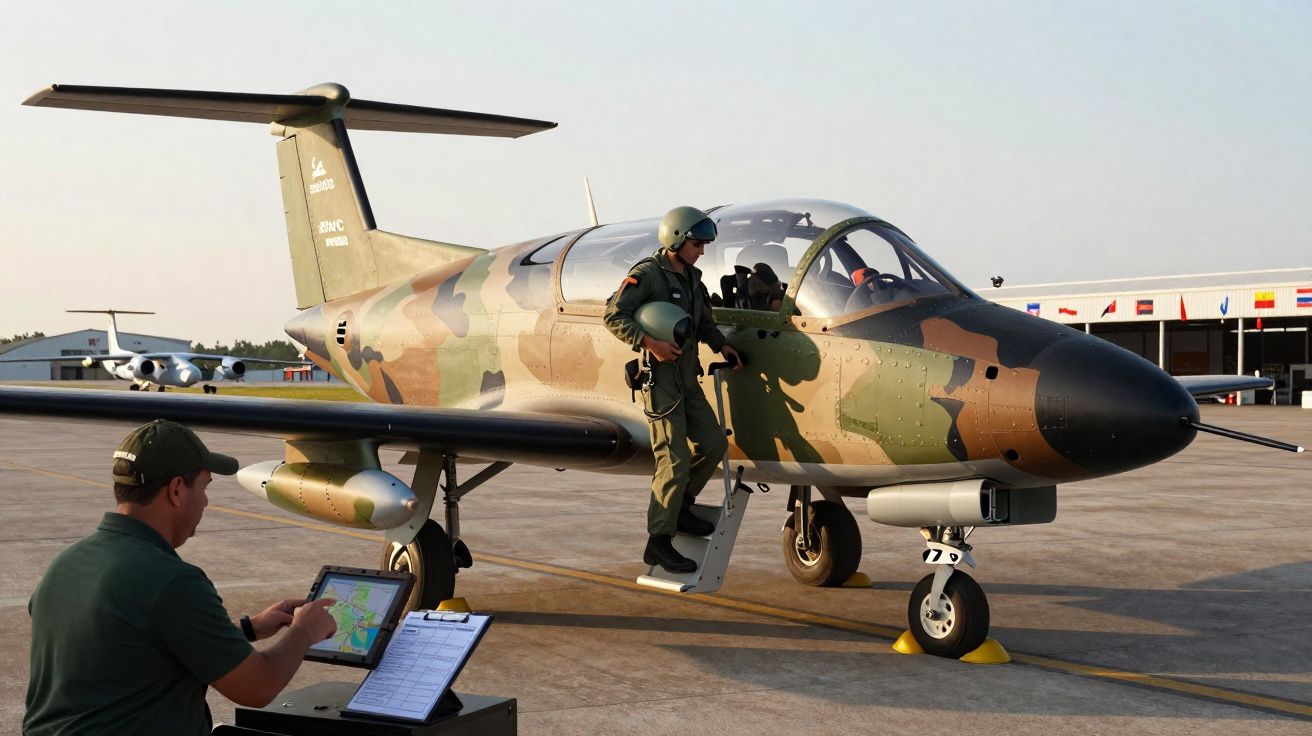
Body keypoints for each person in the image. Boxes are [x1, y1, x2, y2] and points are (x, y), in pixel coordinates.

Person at [24, 419, 339, 735]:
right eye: (204, 487)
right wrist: (303, 631)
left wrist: (248, 629)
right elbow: (257, 687)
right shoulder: (170, 581)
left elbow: (136, 645)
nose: (204, 501)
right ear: (176, 490)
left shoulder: (68, 563)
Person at [604, 206, 743, 573]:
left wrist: (722, 345)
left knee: (714, 442)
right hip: (660, 379)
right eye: (697, 244)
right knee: (674, 458)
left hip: (687, 376)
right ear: (678, 239)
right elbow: (613, 316)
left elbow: (704, 324)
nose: (702, 250)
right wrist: (649, 343)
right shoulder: (647, 275)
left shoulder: (693, 279)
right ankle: (659, 542)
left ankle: (680, 508)